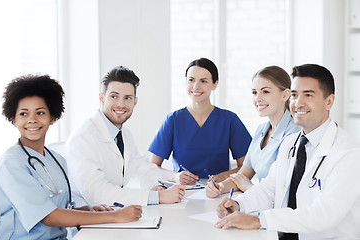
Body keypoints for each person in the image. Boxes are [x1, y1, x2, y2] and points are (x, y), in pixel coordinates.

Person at [215, 64, 360, 239]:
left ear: (329, 101)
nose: (298, 103)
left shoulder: (348, 152)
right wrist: (239, 204)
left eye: (308, 95)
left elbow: (325, 214)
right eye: (294, 95)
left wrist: (259, 219)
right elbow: (270, 188)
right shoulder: (291, 143)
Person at [0, 75, 142, 240]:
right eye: (23, 114)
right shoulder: (12, 163)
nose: (32, 120)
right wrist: (116, 216)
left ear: (52, 118)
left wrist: (87, 209)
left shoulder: (56, 159)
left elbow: (61, 209)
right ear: (13, 119)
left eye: (40, 112)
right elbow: (49, 216)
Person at [66, 66, 185, 207]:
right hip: (87, 222)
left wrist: (158, 186)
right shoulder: (83, 137)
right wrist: (157, 197)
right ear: (101, 98)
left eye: (127, 98)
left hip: (114, 214)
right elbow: (97, 194)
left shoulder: (124, 135)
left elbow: (143, 168)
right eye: (114, 96)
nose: (121, 104)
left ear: (135, 102)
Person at [149, 58, 252, 185]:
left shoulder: (229, 120)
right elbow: (152, 167)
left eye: (203, 81)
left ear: (215, 84)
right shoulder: (173, 120)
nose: (196, 86)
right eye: (191, 80)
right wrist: (175, 176)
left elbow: (247, 167)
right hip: (181, 193)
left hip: (219, 191)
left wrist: (225, 176)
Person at [206, 66, 300, 198]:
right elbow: (243, 175)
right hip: (261, 202)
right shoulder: (261, 130)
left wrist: (249, 187)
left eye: (265, 92)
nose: (258, 99)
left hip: (281, 211)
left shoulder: (295, 133)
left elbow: (285, 191)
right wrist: (220, 187)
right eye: (254, 93)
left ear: (285, 95)